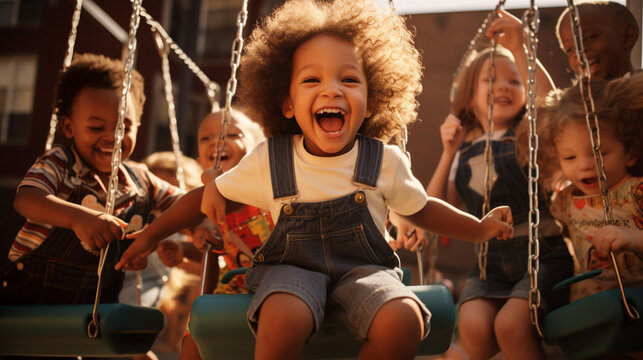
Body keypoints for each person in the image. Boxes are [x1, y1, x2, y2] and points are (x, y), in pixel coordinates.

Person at [117, 1, 514, 359]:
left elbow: (424, 209)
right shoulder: (271, 161)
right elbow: (203, 196)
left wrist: (478, 228)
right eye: (312, 80)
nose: (332, 89)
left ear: (372, 100)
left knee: (403, 320)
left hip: (365, 271)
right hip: (290, 272)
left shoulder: (383, 161)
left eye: (349, 80)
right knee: (283, 317)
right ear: (287, 103)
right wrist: (151, 236)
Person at [414, 47, 574, 360]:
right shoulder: (463, 149)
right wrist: (448, 152)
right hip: (489, 263)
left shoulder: (530, 134)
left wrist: (519, 43)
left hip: (540, 253)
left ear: (526, 93)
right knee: (473, 327)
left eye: (514, 82)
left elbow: (549, 100)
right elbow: (433, 206)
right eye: (491, 80)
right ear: (469, 97)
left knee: (511, 327)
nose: (503, 86)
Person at [0, 53, 185, 306]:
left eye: (124, 128)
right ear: (68, 128)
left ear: (138, 125)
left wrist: (156, 236)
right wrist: (78, 218)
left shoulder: (140, 180)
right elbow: (27, 199)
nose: (113, 138)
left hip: (94, 307)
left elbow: (183, 204)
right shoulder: (60, 163)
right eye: (96, 128)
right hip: (29, 299)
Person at [155, 109, 274, 360]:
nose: (217, 141)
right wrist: (184, 250)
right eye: (205, 138)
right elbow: (211, 247)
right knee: (195, 332)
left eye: (232, 133)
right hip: (233, 289)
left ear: (257, 151)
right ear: (200, 160)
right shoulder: (208, 204)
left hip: (276, 286)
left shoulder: (267, 192)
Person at [538, 73, 643, 304]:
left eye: (599, 153)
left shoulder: (636, 193)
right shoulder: (566, 201)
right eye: (569, 157)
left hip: (635, 300)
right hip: (589, 305)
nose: (584, 165)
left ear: (631, 153)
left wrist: (634, 238)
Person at [556, 0, 640, 80]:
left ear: (628, 36)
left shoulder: (638, 89)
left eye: (588, 38)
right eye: (569, 49)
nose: (578, 54)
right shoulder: (583, 93)